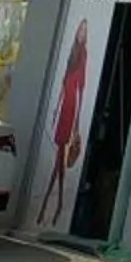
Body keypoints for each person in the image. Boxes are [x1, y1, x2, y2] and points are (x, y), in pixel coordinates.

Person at [34, 18, 90, 226]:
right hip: (63, 107)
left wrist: (76, 123)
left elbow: (81, 89)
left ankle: (51, 207)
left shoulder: (83, 54)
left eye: (85, 32)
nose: (81, 34)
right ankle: (54, 207)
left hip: (71, 110)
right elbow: (64, 84)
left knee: (60, 160)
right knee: (59, 161)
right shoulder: (72, 54)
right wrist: (56, 108)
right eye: (80, 30)